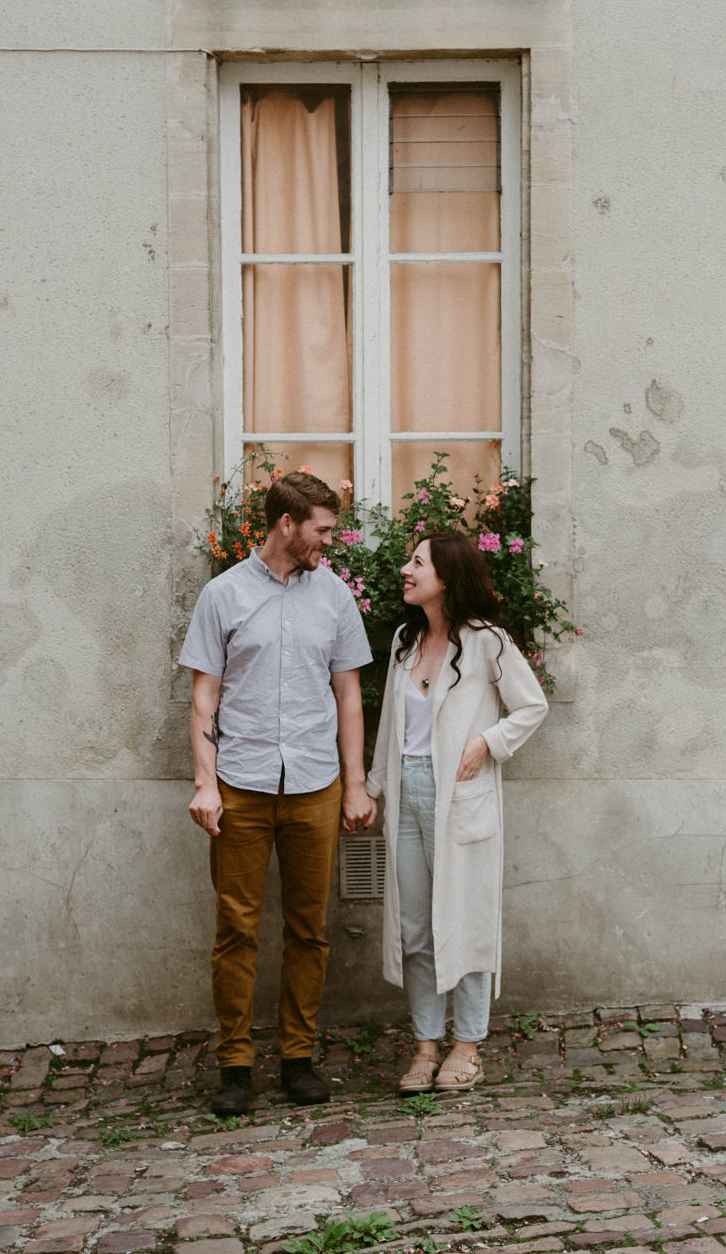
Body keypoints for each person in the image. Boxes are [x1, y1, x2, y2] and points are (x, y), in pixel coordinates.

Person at [179, 470, 376, 1117]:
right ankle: (235, 1063)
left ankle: (297, 1055)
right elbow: (204, 693)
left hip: (315, 783)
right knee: (235, 926)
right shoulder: (223, 595)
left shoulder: (335, 597)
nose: (330, 538)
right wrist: (205, 783)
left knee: (307, 928)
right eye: (322, 528)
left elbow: (348, 693)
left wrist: (356, 784)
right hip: (241, 783)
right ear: (287, 524)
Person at [365, 532, 548, 1093]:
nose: (405, 569)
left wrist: (486, 743)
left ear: (446, 576)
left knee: (464, 921)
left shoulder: (487, 641)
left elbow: (532, 704)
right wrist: (371, 789)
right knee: (416, 926)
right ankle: (425, 1046)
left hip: (460, 793)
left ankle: (466, 1046)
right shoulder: (404, 639)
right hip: (407, 792)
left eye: (416, 562)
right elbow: (391, 726)